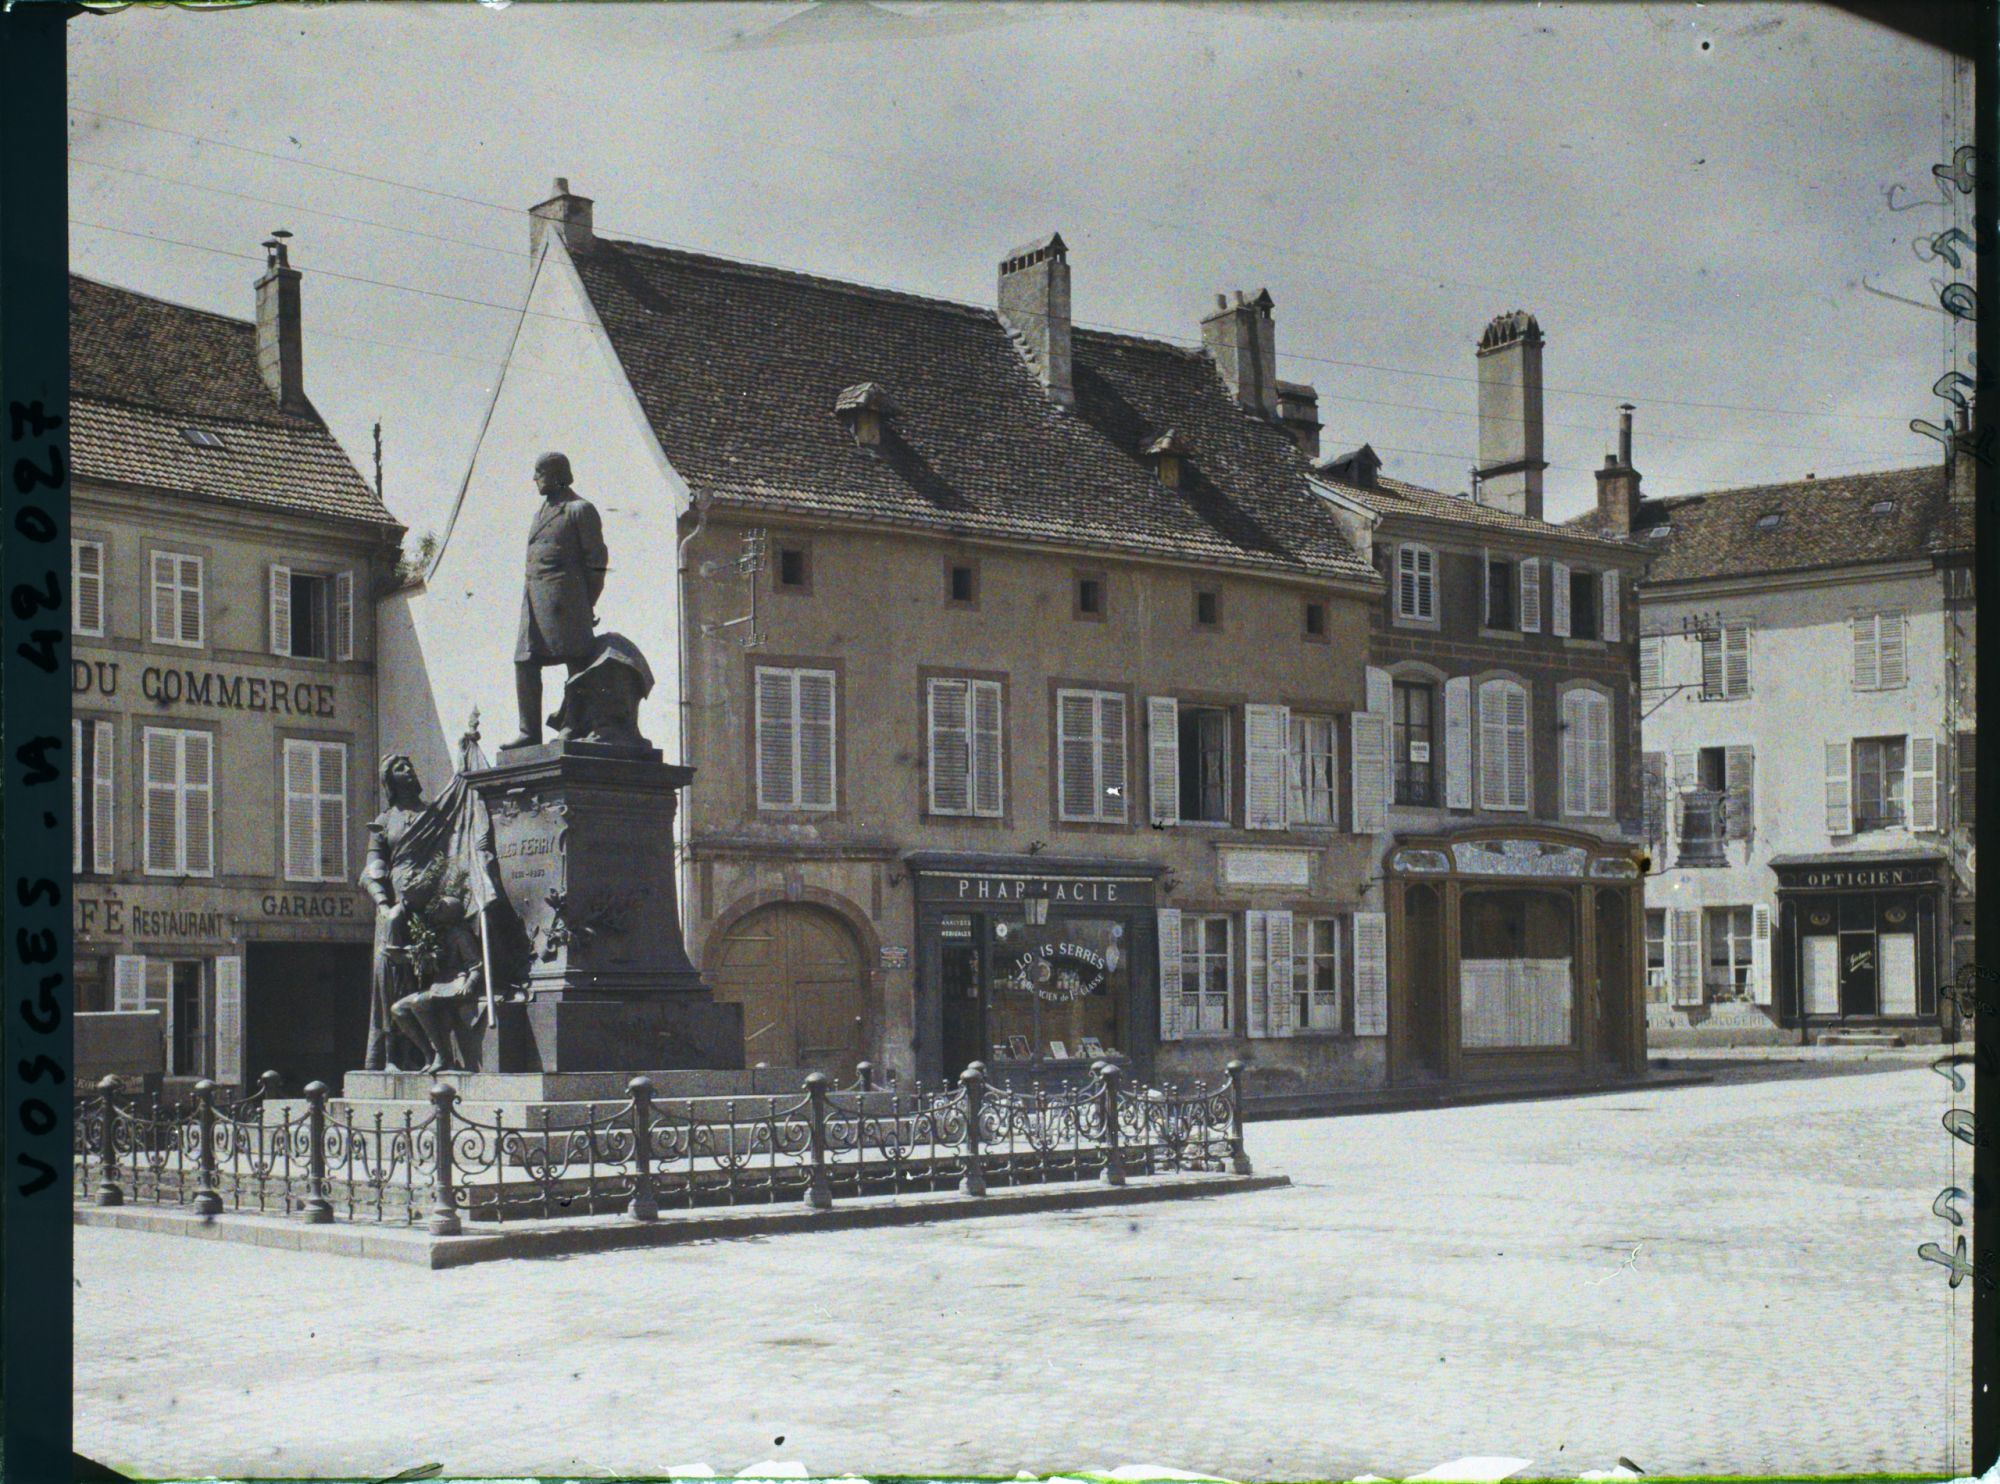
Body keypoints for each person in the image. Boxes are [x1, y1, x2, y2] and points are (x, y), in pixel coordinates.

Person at [360, 753, 497, 1073]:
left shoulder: (434, 814)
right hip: (397, 908)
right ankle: (391, 1056)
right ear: (389, 780)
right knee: (389, 977)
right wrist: (382, 902)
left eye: (410, 764)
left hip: (431, 909)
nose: (408, 769)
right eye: (399, 767)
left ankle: (432, 1054)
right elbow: (372, 869)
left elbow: (452, 848)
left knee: (425, 977)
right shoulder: (384, 821)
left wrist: (467, 762)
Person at [508, 451, 609, 749]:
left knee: (575, 660)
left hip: (567, 600)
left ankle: (572, 724)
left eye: (539, 472)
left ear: (556, 474)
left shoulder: (579, 509)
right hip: (534, 601)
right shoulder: (539, 513)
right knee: (524, 662)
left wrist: (587, 602)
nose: (534, 478)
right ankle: (529, 731)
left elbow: (597, 562)